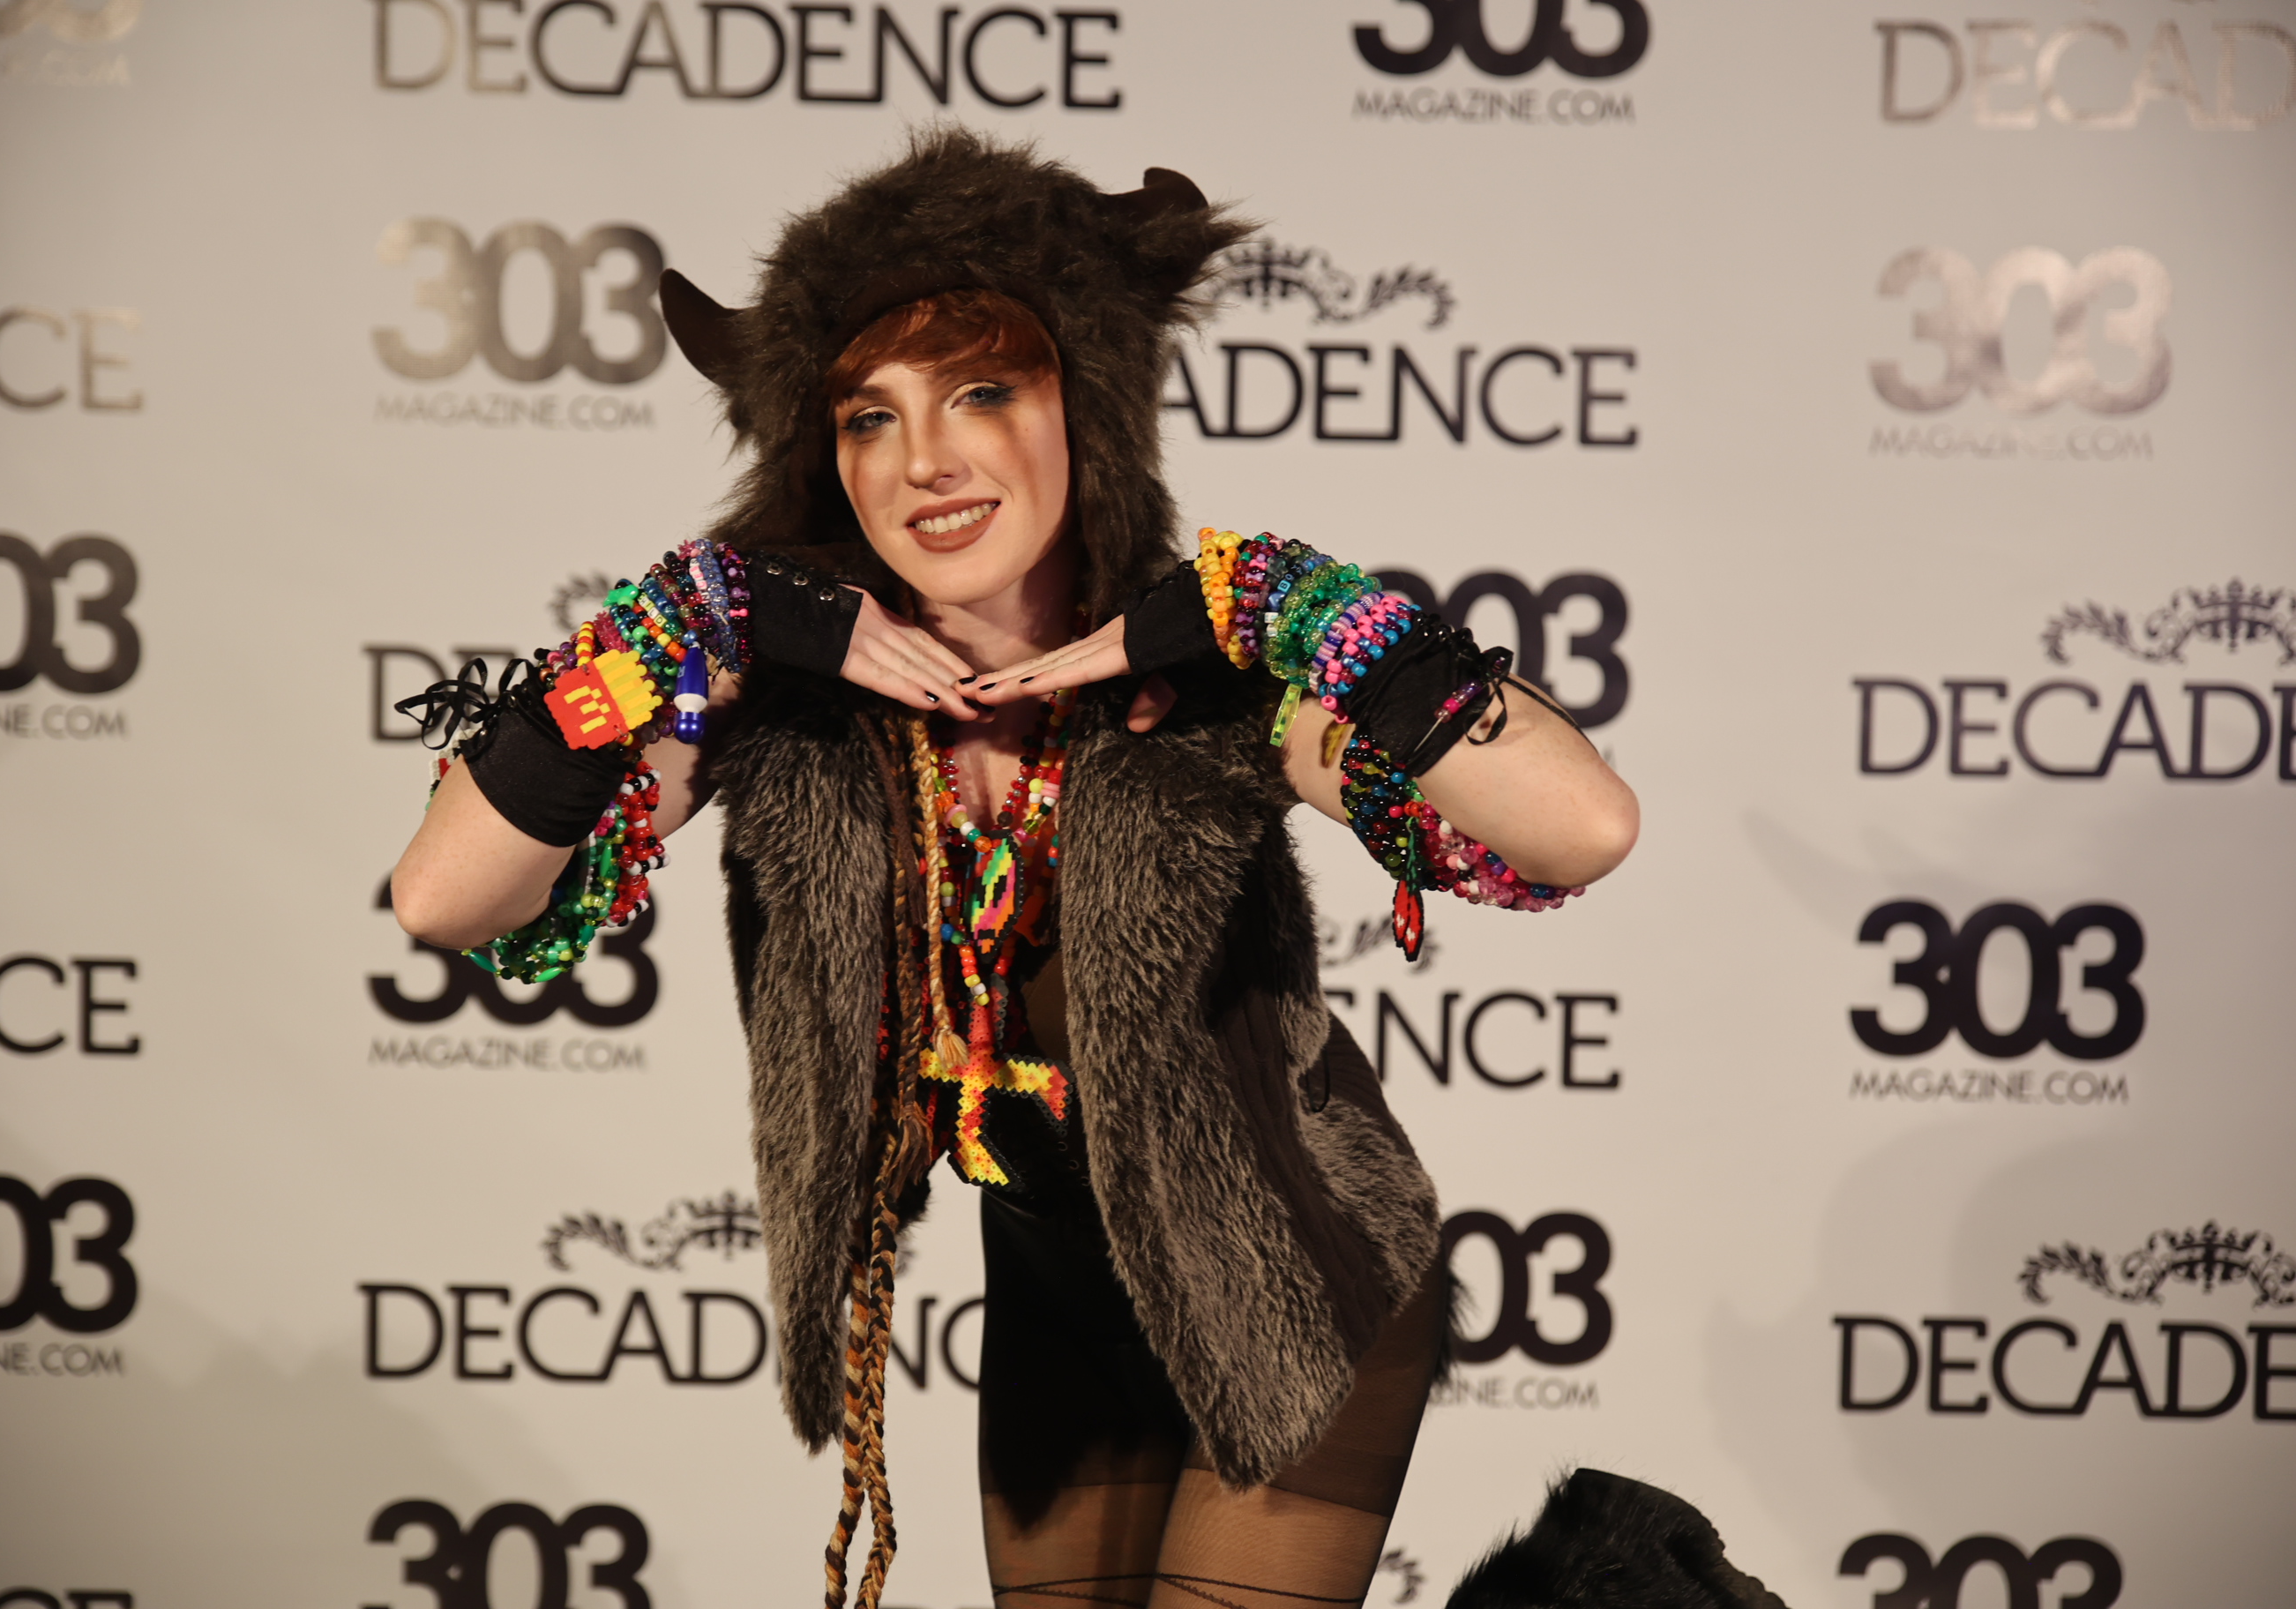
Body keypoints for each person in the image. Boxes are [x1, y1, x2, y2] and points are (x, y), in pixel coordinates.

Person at [389, 129, 1638, 1609]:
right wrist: (678, 615)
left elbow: (1580, 829)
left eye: (983, 390)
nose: (924, 460)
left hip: (1297, 1288)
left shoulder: (1217, 683)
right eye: (869, 416)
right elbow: (451, 899)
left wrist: (1301, 606)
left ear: (1086, 406)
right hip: (1055, 1318)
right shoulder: (777, 712)